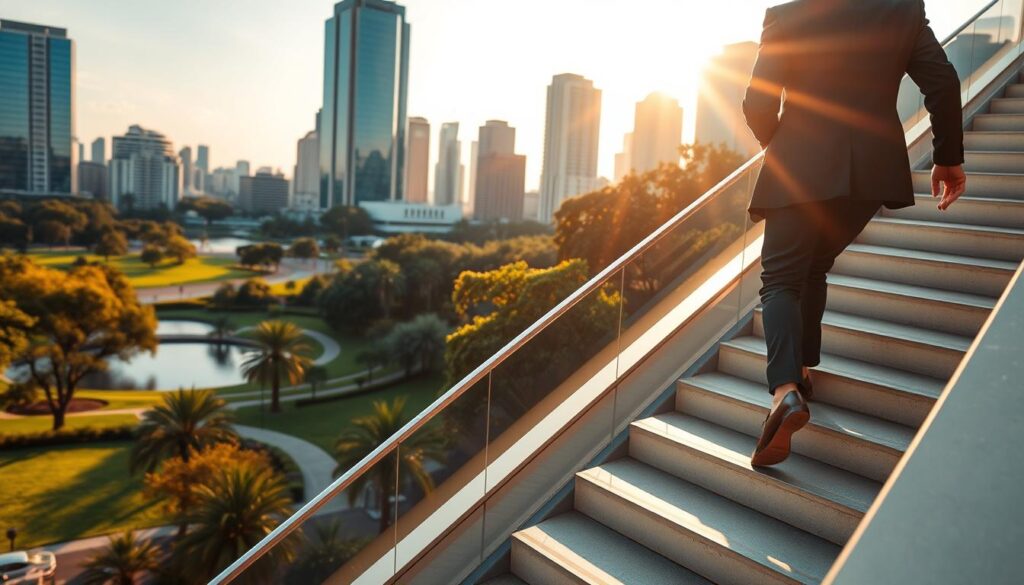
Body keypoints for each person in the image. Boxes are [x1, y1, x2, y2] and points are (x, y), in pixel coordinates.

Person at [743, 0, 967, 467]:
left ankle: (784, 391)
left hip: (800, 166)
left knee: (780, 278)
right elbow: (943, 83)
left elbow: (757, 103)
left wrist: (780, 146)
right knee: (815, 264)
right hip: (871, 172)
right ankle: (802, 370)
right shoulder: (902, 11)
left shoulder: (789, 14)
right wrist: (948, 157)